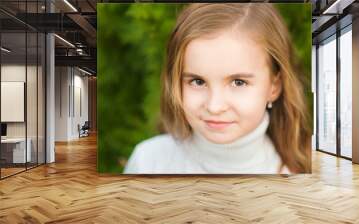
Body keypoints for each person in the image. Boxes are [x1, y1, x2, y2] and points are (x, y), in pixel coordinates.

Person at [124, 3, 311, 174]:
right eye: (197, 81)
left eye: (238, 82)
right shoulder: (148, 162)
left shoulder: (298, 172)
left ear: (274, 86)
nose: (214, 106)